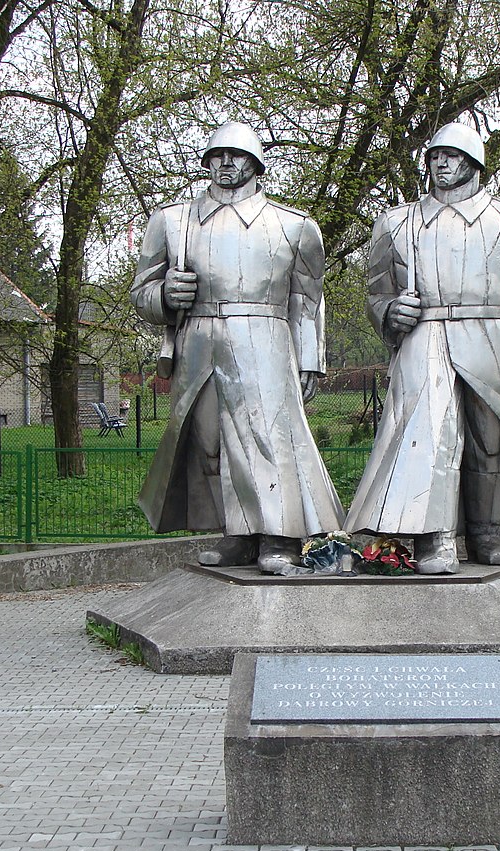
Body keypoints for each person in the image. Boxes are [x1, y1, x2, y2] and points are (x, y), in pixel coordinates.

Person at [345, 122, 500, 574]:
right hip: (425, 339)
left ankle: (488, 534)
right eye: (434, 156)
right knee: (430, 438)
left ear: (474, 162)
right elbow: (376, 293)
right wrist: (391, 312)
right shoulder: (396, 223)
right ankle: (436, 539)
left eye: (452, 155)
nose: (441, 163)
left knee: (492, 441)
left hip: (492, 339)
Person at [131, 122, 343, 573]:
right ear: (206, 161)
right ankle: (238, 535)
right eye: (217, 154)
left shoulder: (294, 225)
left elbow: (307, 301)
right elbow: (142, 294)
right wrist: (165, 295)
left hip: (264, 339)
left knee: (267, 441)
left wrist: (311, 361)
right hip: (198, 343)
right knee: (209, 443)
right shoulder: (172, 221)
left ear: (256, 163)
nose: (226, 163)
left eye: (236, 154)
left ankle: (280, 537)